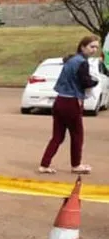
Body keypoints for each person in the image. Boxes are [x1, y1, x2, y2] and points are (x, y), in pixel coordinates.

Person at [38, 35, 102, 175]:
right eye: (91, 47)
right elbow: (85, 82)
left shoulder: (71, 60)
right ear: (82, 47)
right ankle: (76, 164)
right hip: (71, 102)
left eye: (96, 47)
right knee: (77, 135)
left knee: (57, 136)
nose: (94, 50)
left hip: (60, 100)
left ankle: (44, 164)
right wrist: (95, 81)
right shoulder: (82, 63)